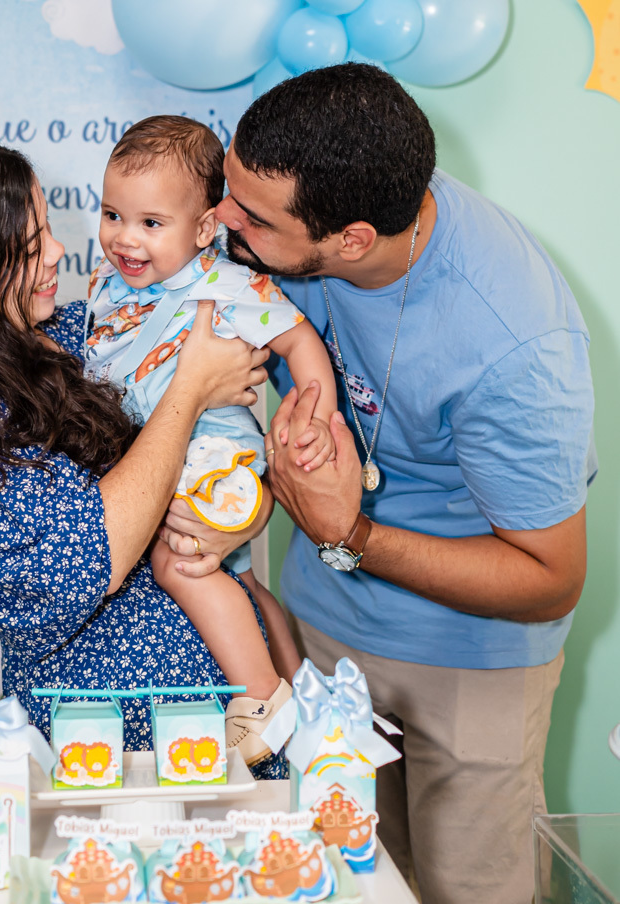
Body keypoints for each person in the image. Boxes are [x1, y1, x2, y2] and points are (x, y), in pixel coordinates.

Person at [210, 63, 594, 904]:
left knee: (469, 890)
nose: (224, 218)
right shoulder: (324, 192)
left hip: (470, 663)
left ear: (351, 241)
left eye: (253, 216)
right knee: (334, 884)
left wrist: (350, 534)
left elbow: (552, 579)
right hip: (323, 633)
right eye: (229, 189)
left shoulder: (514, 343)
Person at [0, 134, 274, 756]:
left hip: (230, 714)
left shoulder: (82, 329)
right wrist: (189, 391)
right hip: (109, 741)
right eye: (29, 248)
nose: (57, 252)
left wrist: (244, 515)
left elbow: (223, 437)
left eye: (46, 228)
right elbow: (85, 561)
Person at [85, 116, 339, 761]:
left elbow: (299, 340)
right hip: (162, 459)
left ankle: (262, 700)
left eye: (151, 222)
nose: (125, 237)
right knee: (242, 581)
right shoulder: (108, 289)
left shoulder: (226, 285)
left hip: (214, 457)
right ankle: (303, 696)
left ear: (203, 230)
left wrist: (315, 417)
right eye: (112, 215)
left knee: (180, 564)